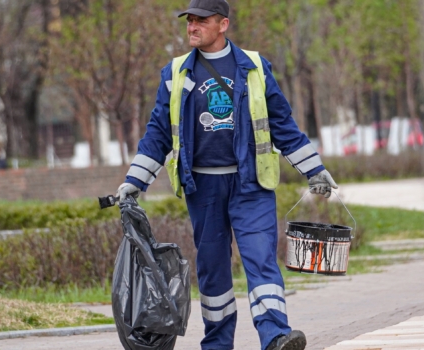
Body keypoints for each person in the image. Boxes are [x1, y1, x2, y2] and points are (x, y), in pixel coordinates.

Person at [116, 1, 338, 349]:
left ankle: (276, 336)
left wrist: (315, 170)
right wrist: (134, 181)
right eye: (189, 21)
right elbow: (157, 133)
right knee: (213, 270)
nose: (192, 27)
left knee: (261, 258)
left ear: (223, 24)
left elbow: (282, 124)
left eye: (201, 21)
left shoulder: (254, 67)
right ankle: (218, 344)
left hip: (251, 183)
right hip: (202, 187)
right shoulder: (176, 74)